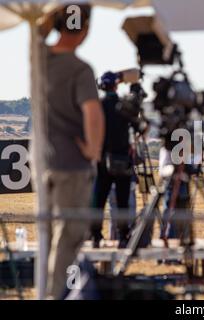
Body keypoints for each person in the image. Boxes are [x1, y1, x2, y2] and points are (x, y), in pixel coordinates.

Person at [44, 4, 105, 299]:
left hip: (44, 160)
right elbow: (92, 112)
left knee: (49, 231)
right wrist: (93, 150)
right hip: (72, 164)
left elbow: (38, 35)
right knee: (68, 236)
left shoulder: (40, 59)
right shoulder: (80, 69)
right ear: (86, 29)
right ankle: (59, 295)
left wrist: (50, 20)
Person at [90, 72, 133, 248]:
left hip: (102, 159)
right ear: (116, 86)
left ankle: (96, 236)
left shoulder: (98, 105)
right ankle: (123, 236)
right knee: (122, 202)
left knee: (98, 199)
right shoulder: (124, 105)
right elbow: (140, 128)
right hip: (123, 159)